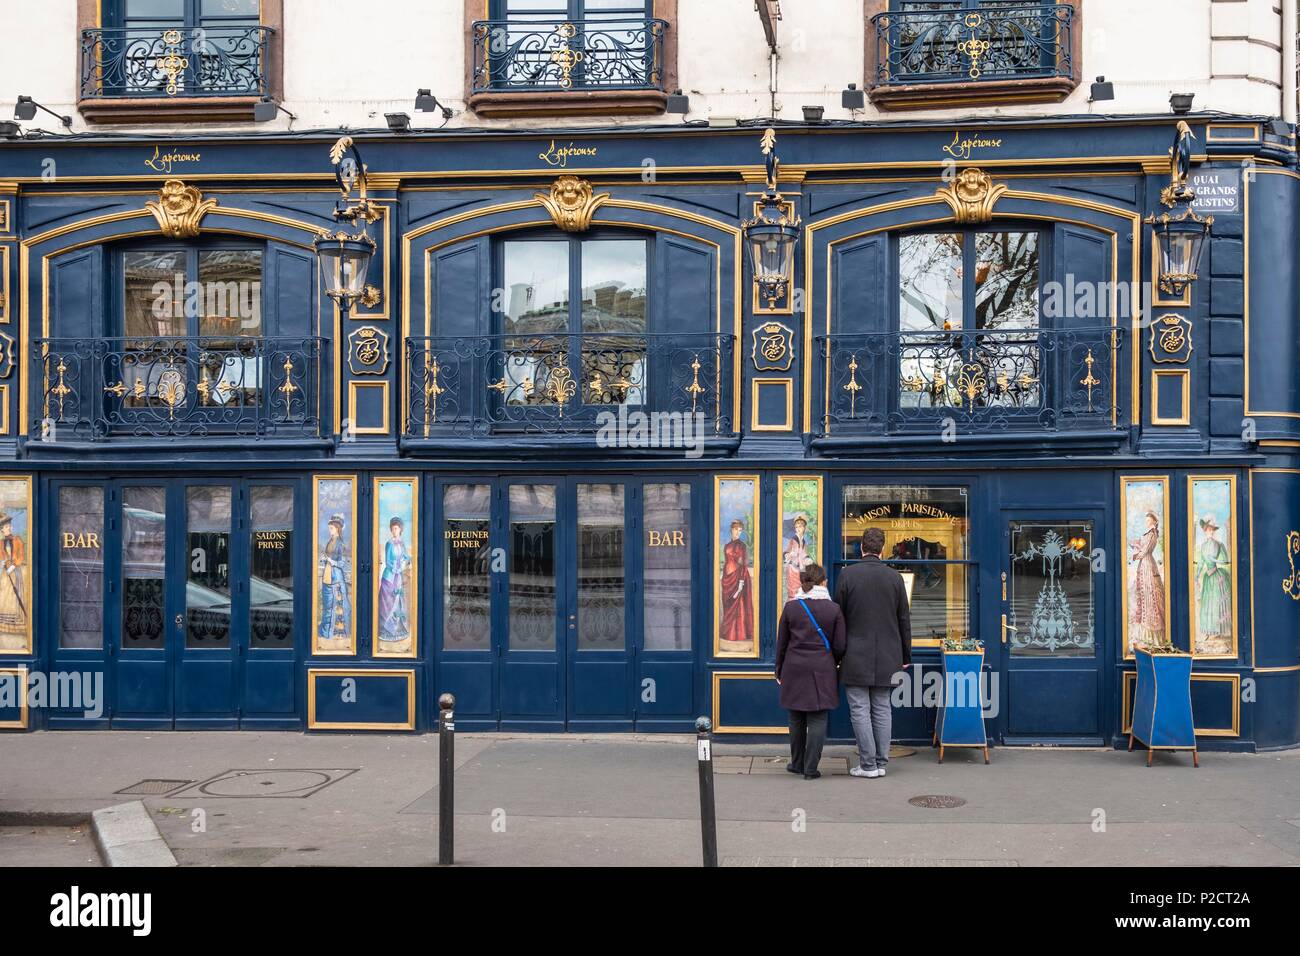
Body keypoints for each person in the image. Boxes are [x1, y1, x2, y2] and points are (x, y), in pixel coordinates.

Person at [835, 527, 911, 778]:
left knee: (859, 708)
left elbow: (840, 618)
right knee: (882, 707)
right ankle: (880, 762)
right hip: (889, 653)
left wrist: (837, 653)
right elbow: (904, 620)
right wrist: (906, 655)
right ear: (882, 549)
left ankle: (867, 764)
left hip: (855, 653)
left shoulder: (847, 575)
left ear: (861, 548)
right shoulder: (895, 578)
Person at [775, 563, 846, 780]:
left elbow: (782, 644)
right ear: (823, 582)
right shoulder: (833, 609)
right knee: (817, 717)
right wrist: (831, 661)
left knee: (796, 717)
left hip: (794, 667)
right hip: (821, 668)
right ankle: (810, 768)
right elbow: (840, 644)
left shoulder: (791, 607)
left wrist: (779, 669)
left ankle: (796, 763)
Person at [1128, 510, 1166, 650]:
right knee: (1144, 597)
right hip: (1143, 565)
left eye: (1148, 519)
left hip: (1147, 564)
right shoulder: (1147, 533)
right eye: (1146, 519)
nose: (1146, 520)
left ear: (1154, 521)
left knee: (1150, 597)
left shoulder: (1152, 534)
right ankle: (1144, 635)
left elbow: (1145, 551)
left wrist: (1134, 555)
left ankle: (1153, 635)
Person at [719, 519, 754, 651]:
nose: (738, 532)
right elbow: (726, 562)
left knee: (739, 605)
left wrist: (741, 583)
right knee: (728, 605)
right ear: (731, 530)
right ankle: (728, 633)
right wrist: (724, 577)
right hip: (727, 578)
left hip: (738, 576)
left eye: (740, 530)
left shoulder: (742, 546)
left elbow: (744, 564)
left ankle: (738, 634)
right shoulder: (726, 545)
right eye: (736, 529)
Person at [377, 516, 411, 644]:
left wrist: (406, 561)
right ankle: (386, 630)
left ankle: (396, 629)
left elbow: (406, 557)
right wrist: (397, 569)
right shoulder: (389, 543)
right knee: (387, 603)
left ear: (400, 529)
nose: (394, 531)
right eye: (393, 529)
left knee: (397, 602)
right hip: (389, 577)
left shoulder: (401, 543)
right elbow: (388, 562)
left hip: (398, 577)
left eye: (396, 528)